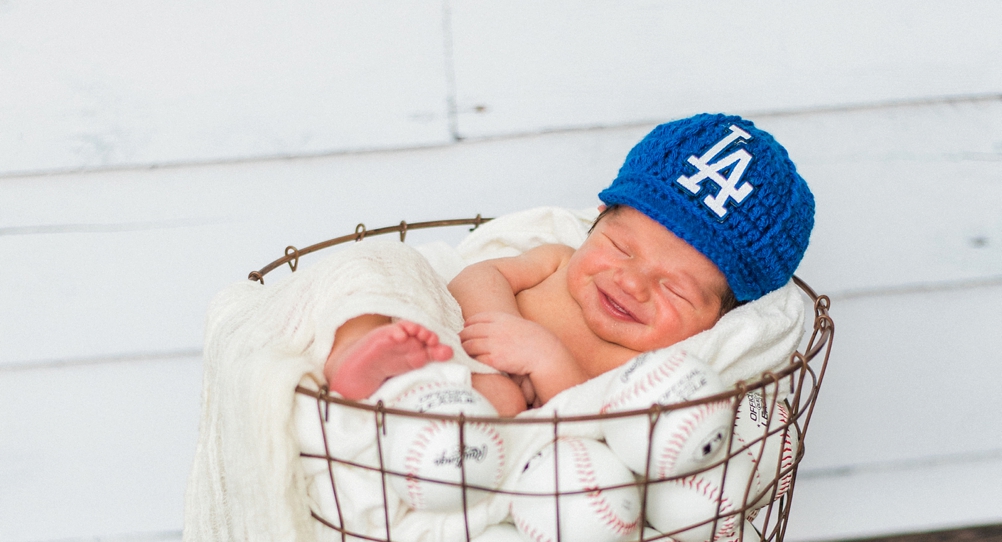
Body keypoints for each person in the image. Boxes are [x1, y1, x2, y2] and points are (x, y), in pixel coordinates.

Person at [324, 113, 814, 415]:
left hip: (482, 427)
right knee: (380, 270)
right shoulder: (557, 261)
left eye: (676, 290)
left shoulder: (652, 368)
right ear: (597, 219)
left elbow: (600, 425)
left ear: (723, 318)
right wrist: (501, 334)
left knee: (505, 406)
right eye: (623, 248)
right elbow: (480, 274)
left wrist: (546, 361)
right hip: (449, 343)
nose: (631, 282)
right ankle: (357, 355)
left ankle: (384, 394)